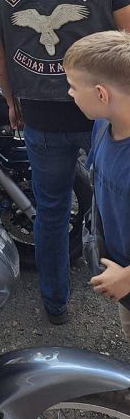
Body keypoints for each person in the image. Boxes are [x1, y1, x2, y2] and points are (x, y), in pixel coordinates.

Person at [0, 0, 130, 324]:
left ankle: (55, 303)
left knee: (50, 210)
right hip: (103, 110)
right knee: (116, 197)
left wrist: (12, 102)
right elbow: (127, 40)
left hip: (40, 112)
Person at [63, 31, 130, 339]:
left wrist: (127, 278)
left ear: (101, 94)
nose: (70, 93)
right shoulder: (103, 126)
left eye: (74, 86)